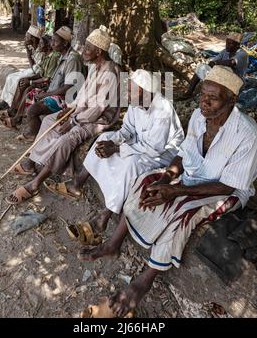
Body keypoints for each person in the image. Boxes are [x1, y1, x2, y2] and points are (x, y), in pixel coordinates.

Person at [79, 66, 257, 317]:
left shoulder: (247, 133)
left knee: (182, 213)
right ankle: (114, 243)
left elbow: (229, 185)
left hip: (225, 191)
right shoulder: (199, 116)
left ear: (232, 100)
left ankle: (144, 282)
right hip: (192, 176)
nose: (204, 102)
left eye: (213, 97)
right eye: (203, 95)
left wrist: (176, 192)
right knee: (144, 182)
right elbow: (184, 154)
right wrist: (164, 179)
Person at [54, 69, 184, 234]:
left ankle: (104, 217)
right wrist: (111, 142)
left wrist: (116, 148)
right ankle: (77, 183)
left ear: (144, 92)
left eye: (130, 91)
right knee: (104, 138)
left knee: (131, 164)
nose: (127, 94)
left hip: (164, 154)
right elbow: (127, 129)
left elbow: (154, 149)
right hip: (141, 143)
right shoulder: (136, 103)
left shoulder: (162, 109)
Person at [6, 25, 121, 205]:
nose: (83, 50)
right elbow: (83, 94)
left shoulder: (110, 72)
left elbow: (98, 109)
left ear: (98, 51)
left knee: (66, 139)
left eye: (88, 48)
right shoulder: (96, 67)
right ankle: (34, 162)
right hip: (82, 112)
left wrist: (74, 120)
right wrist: (70, 109)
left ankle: (36, 183)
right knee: (50, 121)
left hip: (97, 120)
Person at [18, 26, 84, 141]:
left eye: (55, 41)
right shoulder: (62, 56)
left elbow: (68, 87)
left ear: (64, 43)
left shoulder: (72, 59)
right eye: (52, 40)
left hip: (66, 99)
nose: (52, 44)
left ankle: (35, 136)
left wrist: (46, 95)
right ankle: (35, 132)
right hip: (56, 93)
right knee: (31, 95)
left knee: (33, 110)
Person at [1, 35, 61, 128]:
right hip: (43, 81)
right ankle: (13, 110)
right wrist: (28, 79)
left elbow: (47, 79)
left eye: (41, 43)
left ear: (48, 46)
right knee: (22, 82)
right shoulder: (46, 56)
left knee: (28, 89)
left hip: (48, 85)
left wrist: (30, 82)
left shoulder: (53, 57)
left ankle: (17, 118)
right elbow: (40, 73)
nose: (39, 46)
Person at [181, 33, 249, 99]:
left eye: (230, 44)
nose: (227, 45)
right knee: (202, 67)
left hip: (236, 82)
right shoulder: (225, 51)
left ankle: (216, 94)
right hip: (225, 79)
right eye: (227, 43)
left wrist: (216, 63)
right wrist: (213, 64)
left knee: (225, 68)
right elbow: (212, 62)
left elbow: (231, 62)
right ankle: (189, 92)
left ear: (237, 45)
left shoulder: (242, 54)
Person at [0, 25, 43, 111]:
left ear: (33, 38)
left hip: (36, 72)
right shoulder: (32, 48)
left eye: (27, 36)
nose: (25, 38)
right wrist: (28, 50)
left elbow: (35, 68)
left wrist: (28, 53)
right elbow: (32, 66)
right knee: (11, 77)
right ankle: (4, 102)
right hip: (33, 69)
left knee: (17, 79)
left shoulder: (41, 50)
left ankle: (10, 104)